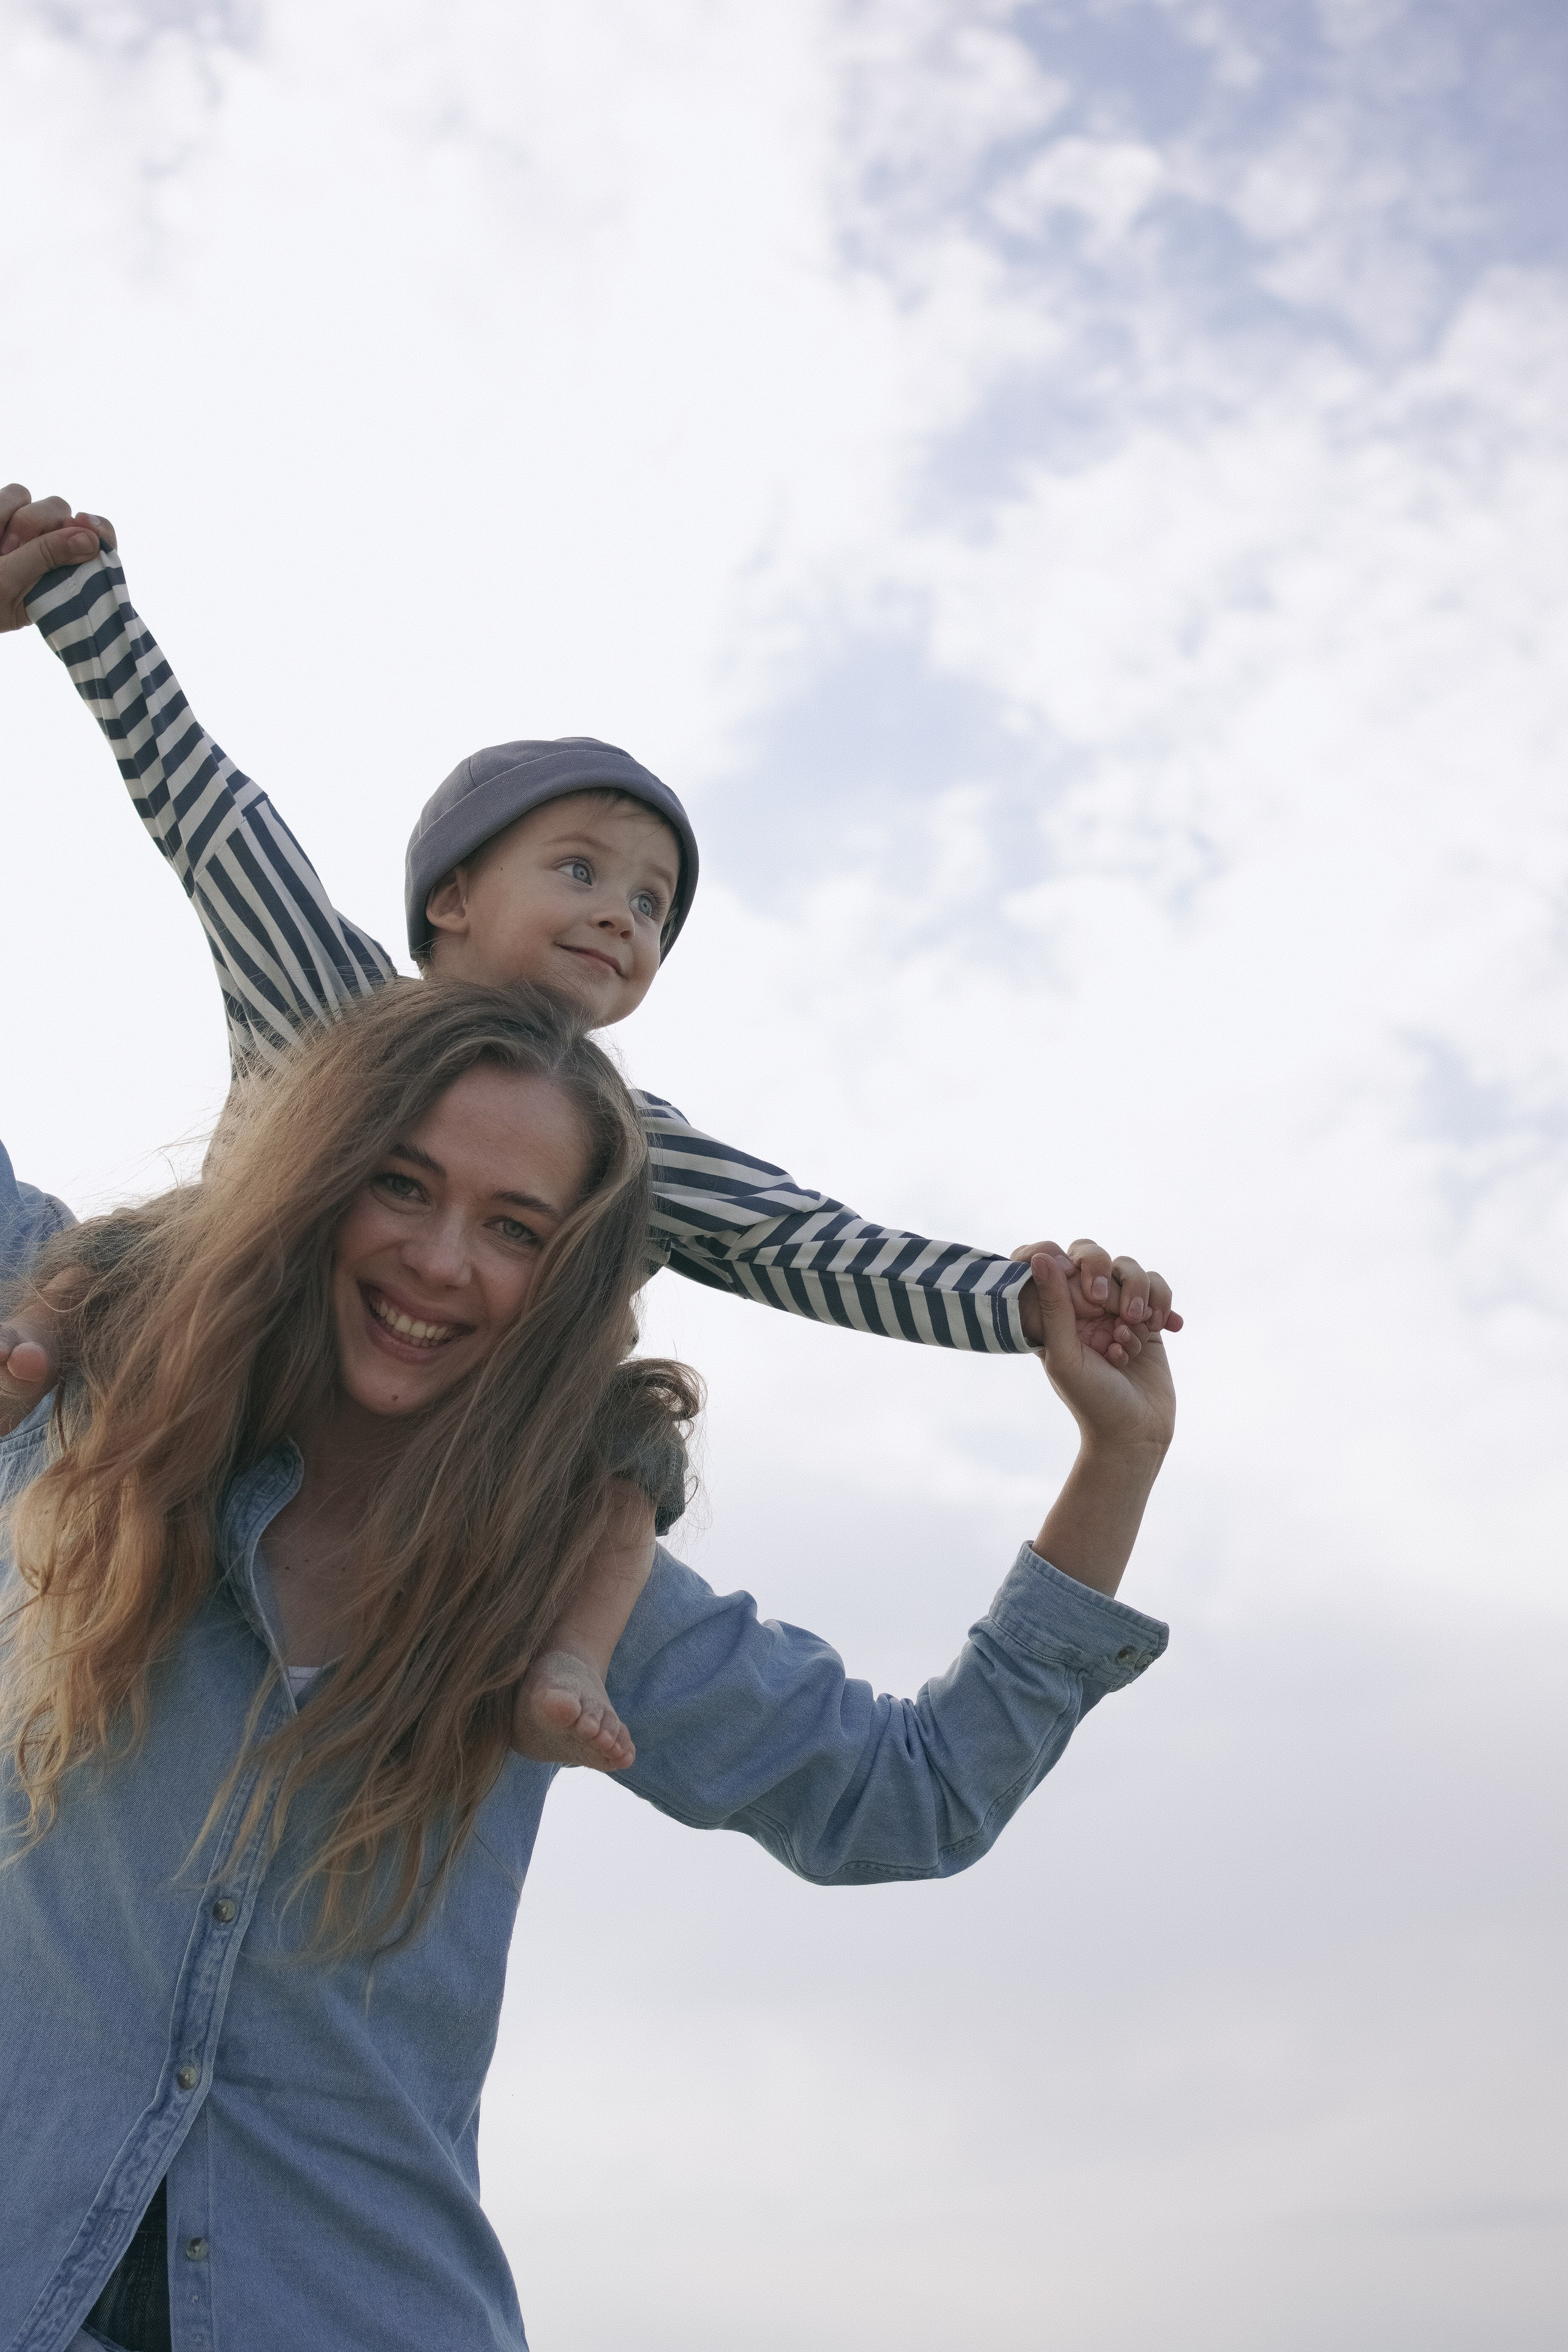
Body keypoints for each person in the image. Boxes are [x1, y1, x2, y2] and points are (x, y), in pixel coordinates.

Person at [1, 982, 1175, 2352]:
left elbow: (906, 1797)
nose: (442, 1261)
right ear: (314, 1181)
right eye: (401, 1186)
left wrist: (1116, 1457)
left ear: (566, 1285)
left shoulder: (563, 1572)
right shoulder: (93, 1389)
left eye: (514, 1231)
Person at [0, 483, 1180, 1769]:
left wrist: (1029, 1308)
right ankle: (32, 1362)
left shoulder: (628, 1149)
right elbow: (211, 815)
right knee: (121, 1259)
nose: (624, 914)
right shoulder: (325, 999)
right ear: (449, 898)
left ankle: (567, 1652)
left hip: (421, 1472)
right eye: (579, 870)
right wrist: (79, 598)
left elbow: (812, 1243)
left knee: (627, 1435)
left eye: (654, 907)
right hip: (194, 1372)